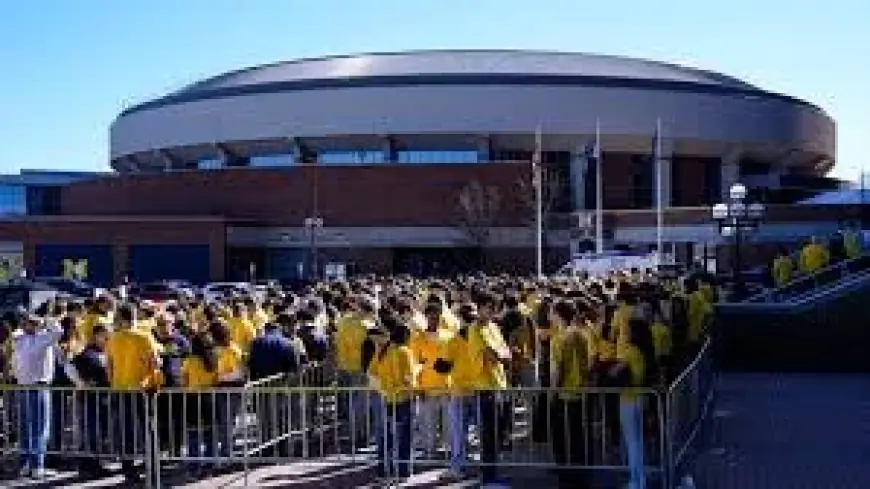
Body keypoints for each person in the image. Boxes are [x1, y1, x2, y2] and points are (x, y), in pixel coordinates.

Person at [104, 303, 162, 482]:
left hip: (119, 388)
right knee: (148, 429)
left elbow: (109, 367)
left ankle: (128, 470)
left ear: (122, 319)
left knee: (125, 431)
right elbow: (155, 362)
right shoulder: (144, 337)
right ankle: (152, 467)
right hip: (142, 390)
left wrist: (114, 381)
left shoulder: (112, 339)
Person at [12, 309, 63, 479]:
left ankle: (25, 465)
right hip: (38, 388)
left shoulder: (19, 339)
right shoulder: (41, 339)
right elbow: (58, 331)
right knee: (40, 429)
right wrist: (46, 318)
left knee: (26, 430)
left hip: (23, 388)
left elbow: (19, 329)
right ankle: (37, 467)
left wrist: (33, 320)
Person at [369, 314, 415, 483]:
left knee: (386, 438)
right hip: (403, 400)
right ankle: (402, 472)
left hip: (388, 399)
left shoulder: (383, 352)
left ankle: (383, 471)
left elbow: (372, 372)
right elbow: (409, 380)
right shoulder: (404, 352)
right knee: (404, 438)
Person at [71, 323, 111, 477]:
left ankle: (94, 465)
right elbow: (70, 368)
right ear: (97, 335)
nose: (108, 339)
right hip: (89, 400)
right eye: (105, 336)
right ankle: (86, 467)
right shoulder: (87, 353)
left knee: (97, 435)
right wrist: (82, 383)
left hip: (100, 400)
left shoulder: (104, 352)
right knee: (90, 434)